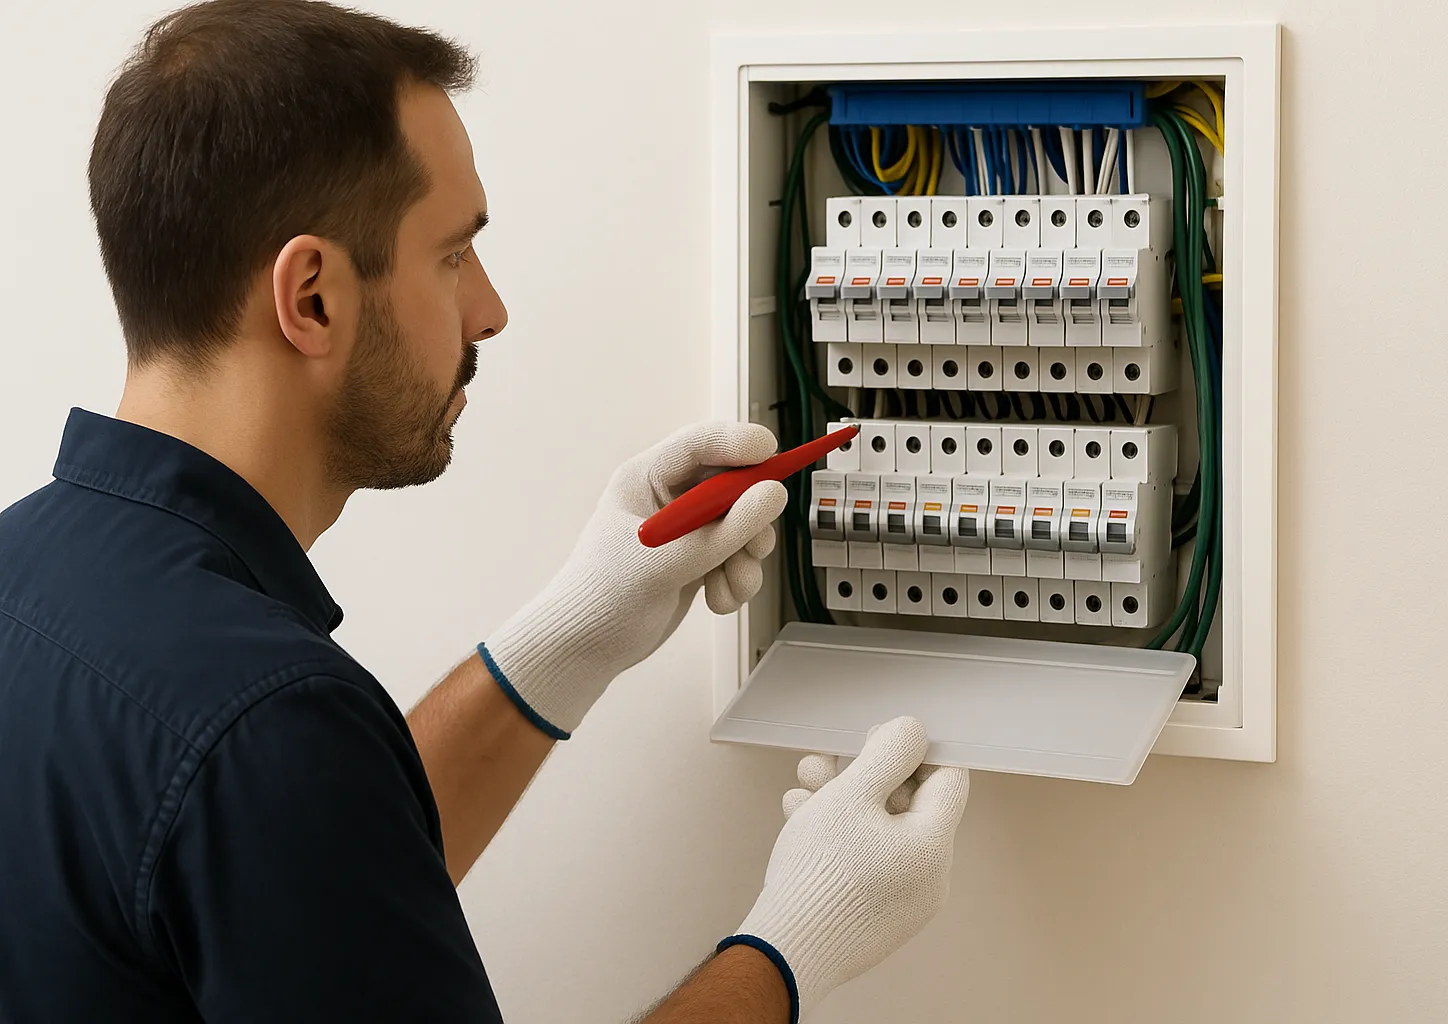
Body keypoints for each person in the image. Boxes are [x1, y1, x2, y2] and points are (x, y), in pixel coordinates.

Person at [0, 2, 970, 1021]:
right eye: (454, 253)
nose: (490, 310)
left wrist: (570, 633)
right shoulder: (266, 726)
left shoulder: (30, 580)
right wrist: (795, 943)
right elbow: (277, 791)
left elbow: (308, 872)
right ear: (314, 296)